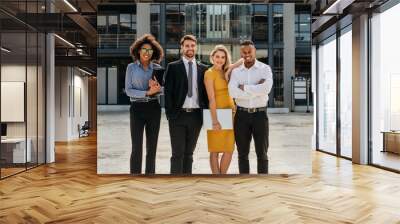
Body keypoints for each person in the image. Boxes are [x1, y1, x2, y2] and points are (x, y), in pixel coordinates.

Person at [164, 34, 209, 174]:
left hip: (196, 116)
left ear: (196, 47)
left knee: (189, 154)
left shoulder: (204, 68)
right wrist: (170, 114)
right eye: (187, 46)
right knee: (177, 154)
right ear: (182, 48)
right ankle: (175, 185)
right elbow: (168, 92)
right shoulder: (172, 67)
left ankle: (187, 184)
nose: (190, 48)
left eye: (192, 46)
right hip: (178, 116)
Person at [228, 40, 273, 174]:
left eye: (249, 52)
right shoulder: (236, 72)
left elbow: (266, 88)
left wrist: (244, 88)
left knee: (262, 153)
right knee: (242, 154)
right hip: (241, 116)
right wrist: (256, 90)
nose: (247, 54)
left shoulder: (265, 69)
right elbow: (232, 92)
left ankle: (262, 183)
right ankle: (244, 183)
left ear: (254, 52)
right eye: (244, 52)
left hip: (260, 115)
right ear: (241, 53)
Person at [125, 34, 164, 174]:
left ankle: (150, 176)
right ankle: (135, 176)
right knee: (136, 147)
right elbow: (128, 90)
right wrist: (147, 92)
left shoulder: (157, 68)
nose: (147, 53)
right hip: (137, 108)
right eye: (144, 49)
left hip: (154, 108)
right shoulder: (131, 67)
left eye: (150, 50)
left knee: (152, 147)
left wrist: (157, 89)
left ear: (154, 52)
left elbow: (163, 89)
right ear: (138, 50)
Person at [204, 45, 242, 174]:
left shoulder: (227, 71)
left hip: (231, 113)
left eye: (223, 57)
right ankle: (216, 178)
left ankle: (222, 176)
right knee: (214, 149)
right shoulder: (209, 73)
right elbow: (212, 99)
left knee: (229, 149)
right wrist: (214, 121)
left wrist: (230, 68)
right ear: (212, 57)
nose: (220, 59)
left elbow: (242, 60)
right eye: (217, 57)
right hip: (217, 113)